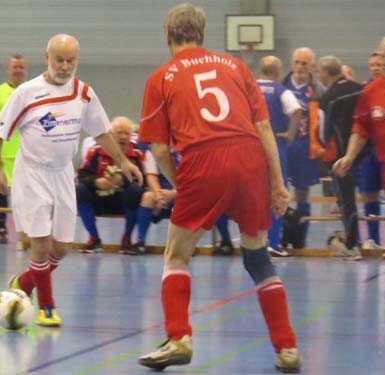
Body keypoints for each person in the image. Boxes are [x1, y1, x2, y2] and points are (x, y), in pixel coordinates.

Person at [137, 4, 300, 372]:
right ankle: (287, 348)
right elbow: (263, 129)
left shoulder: (161, 78)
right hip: (250, 160)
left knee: (176, 256)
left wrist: (184, 183)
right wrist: (277, 184)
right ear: (203, 36)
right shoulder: (237, 67)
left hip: (203, 160)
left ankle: (178, 338)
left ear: (168, 37)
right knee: (258, 257)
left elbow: (160, 150)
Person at [0, 34, 142, 327]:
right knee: (41, 244)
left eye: (70, 60)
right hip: (32, 173)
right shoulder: (27, 93)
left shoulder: (83, 93)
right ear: (47, 58)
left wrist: (124, 161)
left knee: (61, 247)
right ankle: (47, 308)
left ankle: (24, 282)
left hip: (62, 173)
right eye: (59, 59)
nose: (65, 66)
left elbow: (100, 132)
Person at [334, 33, 385, 261]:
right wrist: (349, 156)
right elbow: (361, 127)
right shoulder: (372, 91)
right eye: (381, 56)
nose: (383, 62)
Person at [76, 116, 147, 254]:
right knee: (80, 190)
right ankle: (94, 239)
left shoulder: (137, 153)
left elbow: (142, 179)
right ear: (111, 135)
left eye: (127, 133)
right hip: (99, 198)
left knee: (135, 190)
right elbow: (82, 175)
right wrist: (96, 182)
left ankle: (127, 238)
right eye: (119, 133)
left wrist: (122, 180)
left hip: (124, 200)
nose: (123, 137)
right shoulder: (95, 152)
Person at [317, 55, 363, 260]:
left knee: (347, 201)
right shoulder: (360, 87)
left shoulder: (328, 97)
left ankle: (353, 245)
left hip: (342, 156)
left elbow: (321, 131)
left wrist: (324, 157)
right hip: (365, 149)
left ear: (325, 72)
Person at [257, 56, 302, 257]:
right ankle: (273, 242)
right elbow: (297, 110)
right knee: (278, 192)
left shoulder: (249, 89)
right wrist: (291, 134)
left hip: (251, 147)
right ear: (278, 72)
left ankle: (254, 242)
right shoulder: (281, 91)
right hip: (275, 144)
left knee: (255, 194)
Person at [356, 52, 385, 257]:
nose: (376, 67)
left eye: (379, 64)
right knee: (369, 194)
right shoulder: (367, 90)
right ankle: (372, 239)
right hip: (369, 153)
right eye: (372, 64)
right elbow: (360, 125)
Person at [283, 47, 326, 247]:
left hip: (305, 148)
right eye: (297, 62)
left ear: (312, 67)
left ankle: (300, 239)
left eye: (304, 63)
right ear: (291, 64)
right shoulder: (281, 85)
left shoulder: (318, 91)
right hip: (283, 147)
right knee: (279, 191)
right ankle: (281, 237)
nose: (300, 67)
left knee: (302, 193)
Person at [0, 54, 28, 245]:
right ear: (8, 70)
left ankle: (27, 231)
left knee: (27, 195)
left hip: (27, 153)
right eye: (15, 67)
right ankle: (1, 228)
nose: (18, 70)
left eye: (21, 67)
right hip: (6, 152)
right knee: (2, 190)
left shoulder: (32, 91)